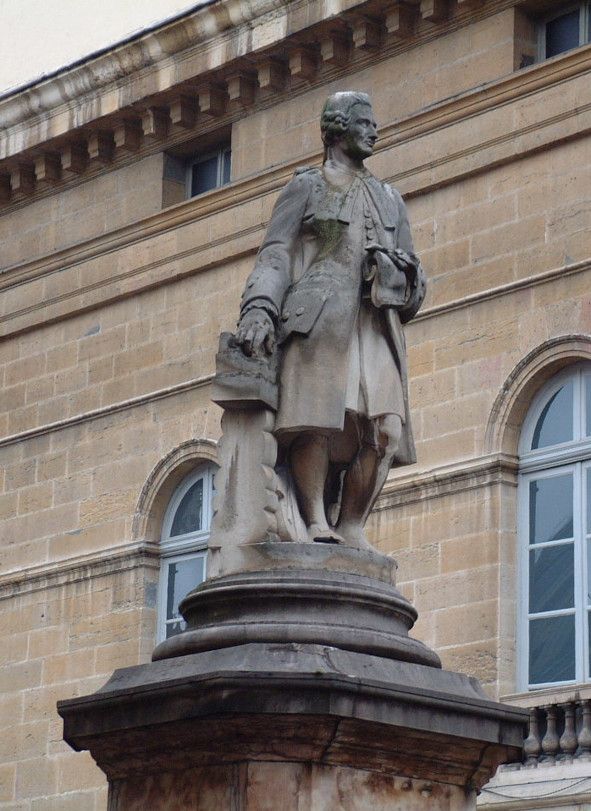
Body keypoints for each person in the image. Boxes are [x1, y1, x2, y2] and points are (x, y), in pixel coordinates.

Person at [234, 91, 426, 549]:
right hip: (317, 320)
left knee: (385, 428)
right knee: (316, 422)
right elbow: (276, 253)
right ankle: (315, 519)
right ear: (337, 127)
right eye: (364, 121)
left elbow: (418, 280)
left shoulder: (389, 199)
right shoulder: (306, 185)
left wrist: (400, 275)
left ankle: (353, 523)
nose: (374, 130)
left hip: (374, 322)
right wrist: (259, 306)